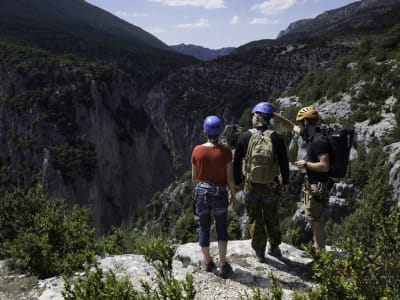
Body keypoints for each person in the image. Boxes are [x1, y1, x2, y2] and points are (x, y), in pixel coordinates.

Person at [233, 102, 289, 262]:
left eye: (253, 115)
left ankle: (259, 252)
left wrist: (238, 181)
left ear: (257, 116)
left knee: (254, 217)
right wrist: (285, 182)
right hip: (270, 185)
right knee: (271, 215)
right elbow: (284, 162)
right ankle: (275, 247)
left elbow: (237, 162)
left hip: (250, 185)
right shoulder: (276, 138)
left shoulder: (244, 136)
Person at [191, 115, 236, 278]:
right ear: (220, 132)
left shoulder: (197, 150)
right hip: (220, 194)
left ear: (205, 132)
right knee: (221, 228)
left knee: (203, 227)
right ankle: (223, 264)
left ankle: (208, 261)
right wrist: (233, 194)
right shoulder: (226, 152)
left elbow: (194, 177)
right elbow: (230, 177)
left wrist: (196, 192)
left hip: (202, 193)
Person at [293, 106, 330, 251]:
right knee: (316, 218)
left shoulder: (319, 141)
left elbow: (325, 165)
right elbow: (292, 127)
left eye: (301, 122)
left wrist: (306, 164)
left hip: (319, 185)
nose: (300, 125)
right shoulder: (311, 135)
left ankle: (320, 253)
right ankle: (317, 247)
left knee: (314, 219)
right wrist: (276, 116)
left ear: (307, 122)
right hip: (316, 184)